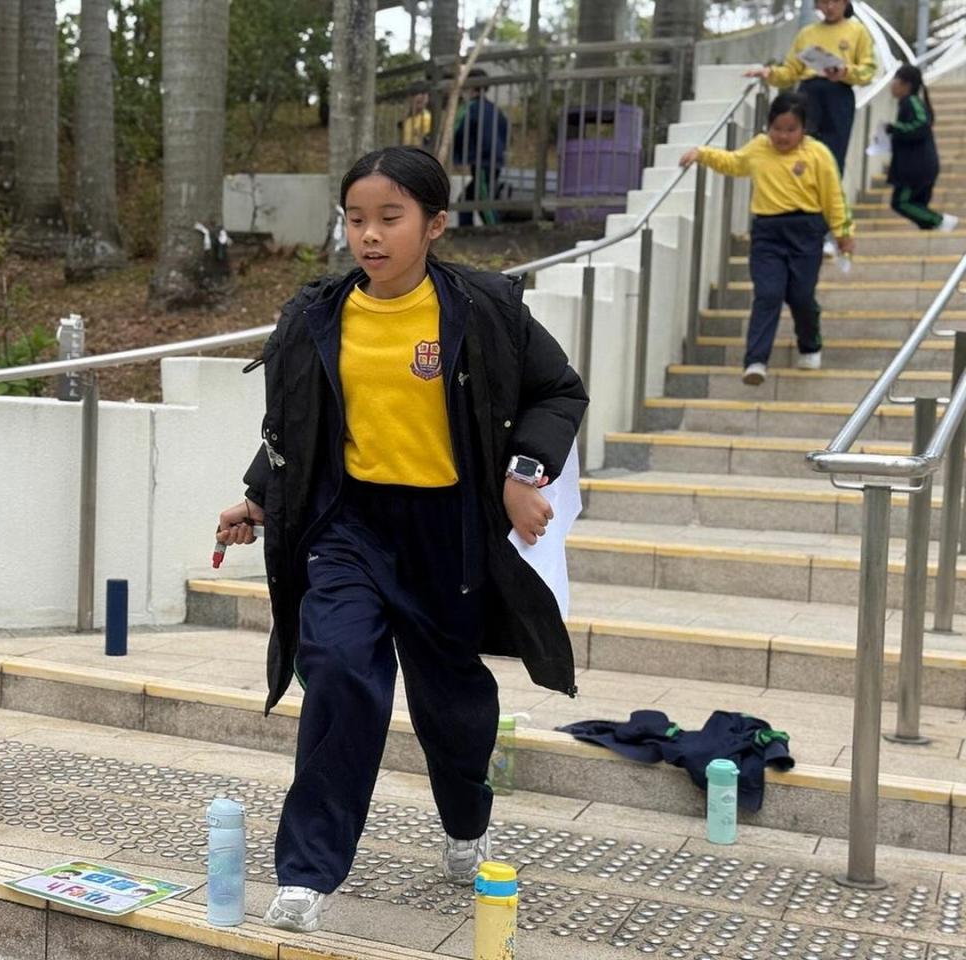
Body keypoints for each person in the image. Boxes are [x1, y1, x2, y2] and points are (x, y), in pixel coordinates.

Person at [213, 146, 587, 933]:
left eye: (390, 218)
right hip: (349, 528)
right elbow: (296, 424)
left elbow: (557, 390)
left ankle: (466, 821)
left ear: (435, 224)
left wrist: (523, 474)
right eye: (356, 219)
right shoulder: (318, 314)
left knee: (453, 704)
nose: (370, 236)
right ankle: (307, 873)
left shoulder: (484, 309)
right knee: (339, 670)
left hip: (447, 536)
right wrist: (258, 497)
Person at [680, 93, 854, 386]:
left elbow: (833, 196)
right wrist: (702, 153)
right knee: (768, 294)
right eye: (777, 129)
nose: (783, 136)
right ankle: (756, 360)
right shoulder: (759, 148)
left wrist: (843, 233)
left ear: (804, 129)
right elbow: (733, 162)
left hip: (806, 230)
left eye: (791, 129)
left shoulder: (818, 154)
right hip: (768, 234)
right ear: (768, 126)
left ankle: (810, 344)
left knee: (801, 296)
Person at [745, 0, 875, 177]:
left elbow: (868, 70)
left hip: (839, 94)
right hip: (808, 95)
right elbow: (791, 71)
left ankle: (830, 192)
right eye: (824, 2)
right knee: (800, 152)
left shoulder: (858, 32)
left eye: (835, 1)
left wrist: (845, 71)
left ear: (845, 3)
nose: (830, 7)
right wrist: (770, 73)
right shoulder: (807, 34)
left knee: (833, 155)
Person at [886, 64, 958, 233]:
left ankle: (939, 220)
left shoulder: (911, 101)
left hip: (916, 168)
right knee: (916, 204)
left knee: (901, 202)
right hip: (919, 166)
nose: (892, 85)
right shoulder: (907, 103)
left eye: (896, 80)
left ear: (906, 85)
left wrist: (895, 129)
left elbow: (921, 123)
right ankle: (931, 226)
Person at [453, 68, 510, 226]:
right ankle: (465, 232)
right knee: (465, 200)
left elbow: (458, 131)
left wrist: (458, 157)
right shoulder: (494, 109)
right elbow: (505, 131)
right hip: (493, 160)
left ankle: (497, 232)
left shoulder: (470, 107)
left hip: (483, 161)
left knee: (484, 203)